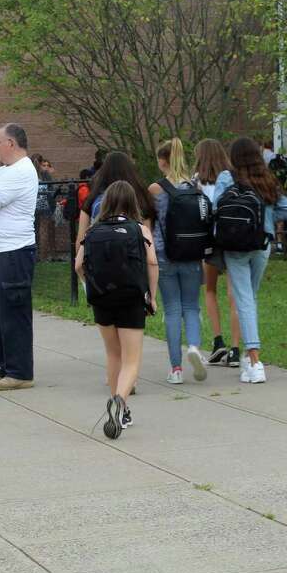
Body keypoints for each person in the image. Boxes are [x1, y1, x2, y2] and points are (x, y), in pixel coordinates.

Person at [75, 180, 157, 439]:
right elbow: (152, 263)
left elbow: (79, 265)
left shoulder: (93, 231)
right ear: (133, 203)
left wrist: (90, 286)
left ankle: (119, 404)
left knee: (113, 355)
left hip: (102, 299)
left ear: (106, 202)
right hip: (132, 298)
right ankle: (120, 401)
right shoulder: (139, 229)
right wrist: (151, 297)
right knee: (131, 360)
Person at [215, 137, 287, 384]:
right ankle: (249, 361)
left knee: (245, 300)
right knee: (249, 297)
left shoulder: (226, 178)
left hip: (234, 246)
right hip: (262, 244)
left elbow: (215, 207)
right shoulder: (267, 179)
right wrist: (268, 220)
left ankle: (254, 361)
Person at [0, 123, 39, 390]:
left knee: (13, 312)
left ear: (11, 143)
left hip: (14, 252)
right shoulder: (3, 171)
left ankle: (20, 372)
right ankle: (5, 367)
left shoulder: (21, 171)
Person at [147, 138, 207, 385]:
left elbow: (148, 226)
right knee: (192, 306)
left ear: (162, 162)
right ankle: (194, 346)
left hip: (165, 255)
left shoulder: (155, 189)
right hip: (192, 253)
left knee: (172, 309)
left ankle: (176, 368)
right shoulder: (195, 188)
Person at [194, 138, 240, 367]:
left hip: (209, 240)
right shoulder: (232, 177)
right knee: (235, 294)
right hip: (231, 237)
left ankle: (217, 340)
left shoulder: (196, 182)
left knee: (210, 289)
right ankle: (236, 348)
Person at [76, 152, 155, 255]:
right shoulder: (140, 199)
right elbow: (148, 242)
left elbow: (81, 241)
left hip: (100, 260)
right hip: (133, 261)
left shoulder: (93, 200)